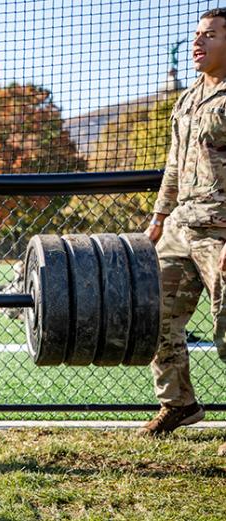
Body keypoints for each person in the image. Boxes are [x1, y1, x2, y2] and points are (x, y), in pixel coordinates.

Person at [138, 8, 226, 457]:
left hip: (221, 235)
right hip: (180, 228)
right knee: (156, 315)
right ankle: (180, 404)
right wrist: (158, 219)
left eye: (209, 35)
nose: (198, 43)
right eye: (197, 35)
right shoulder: (189, 97)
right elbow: (174, 165)